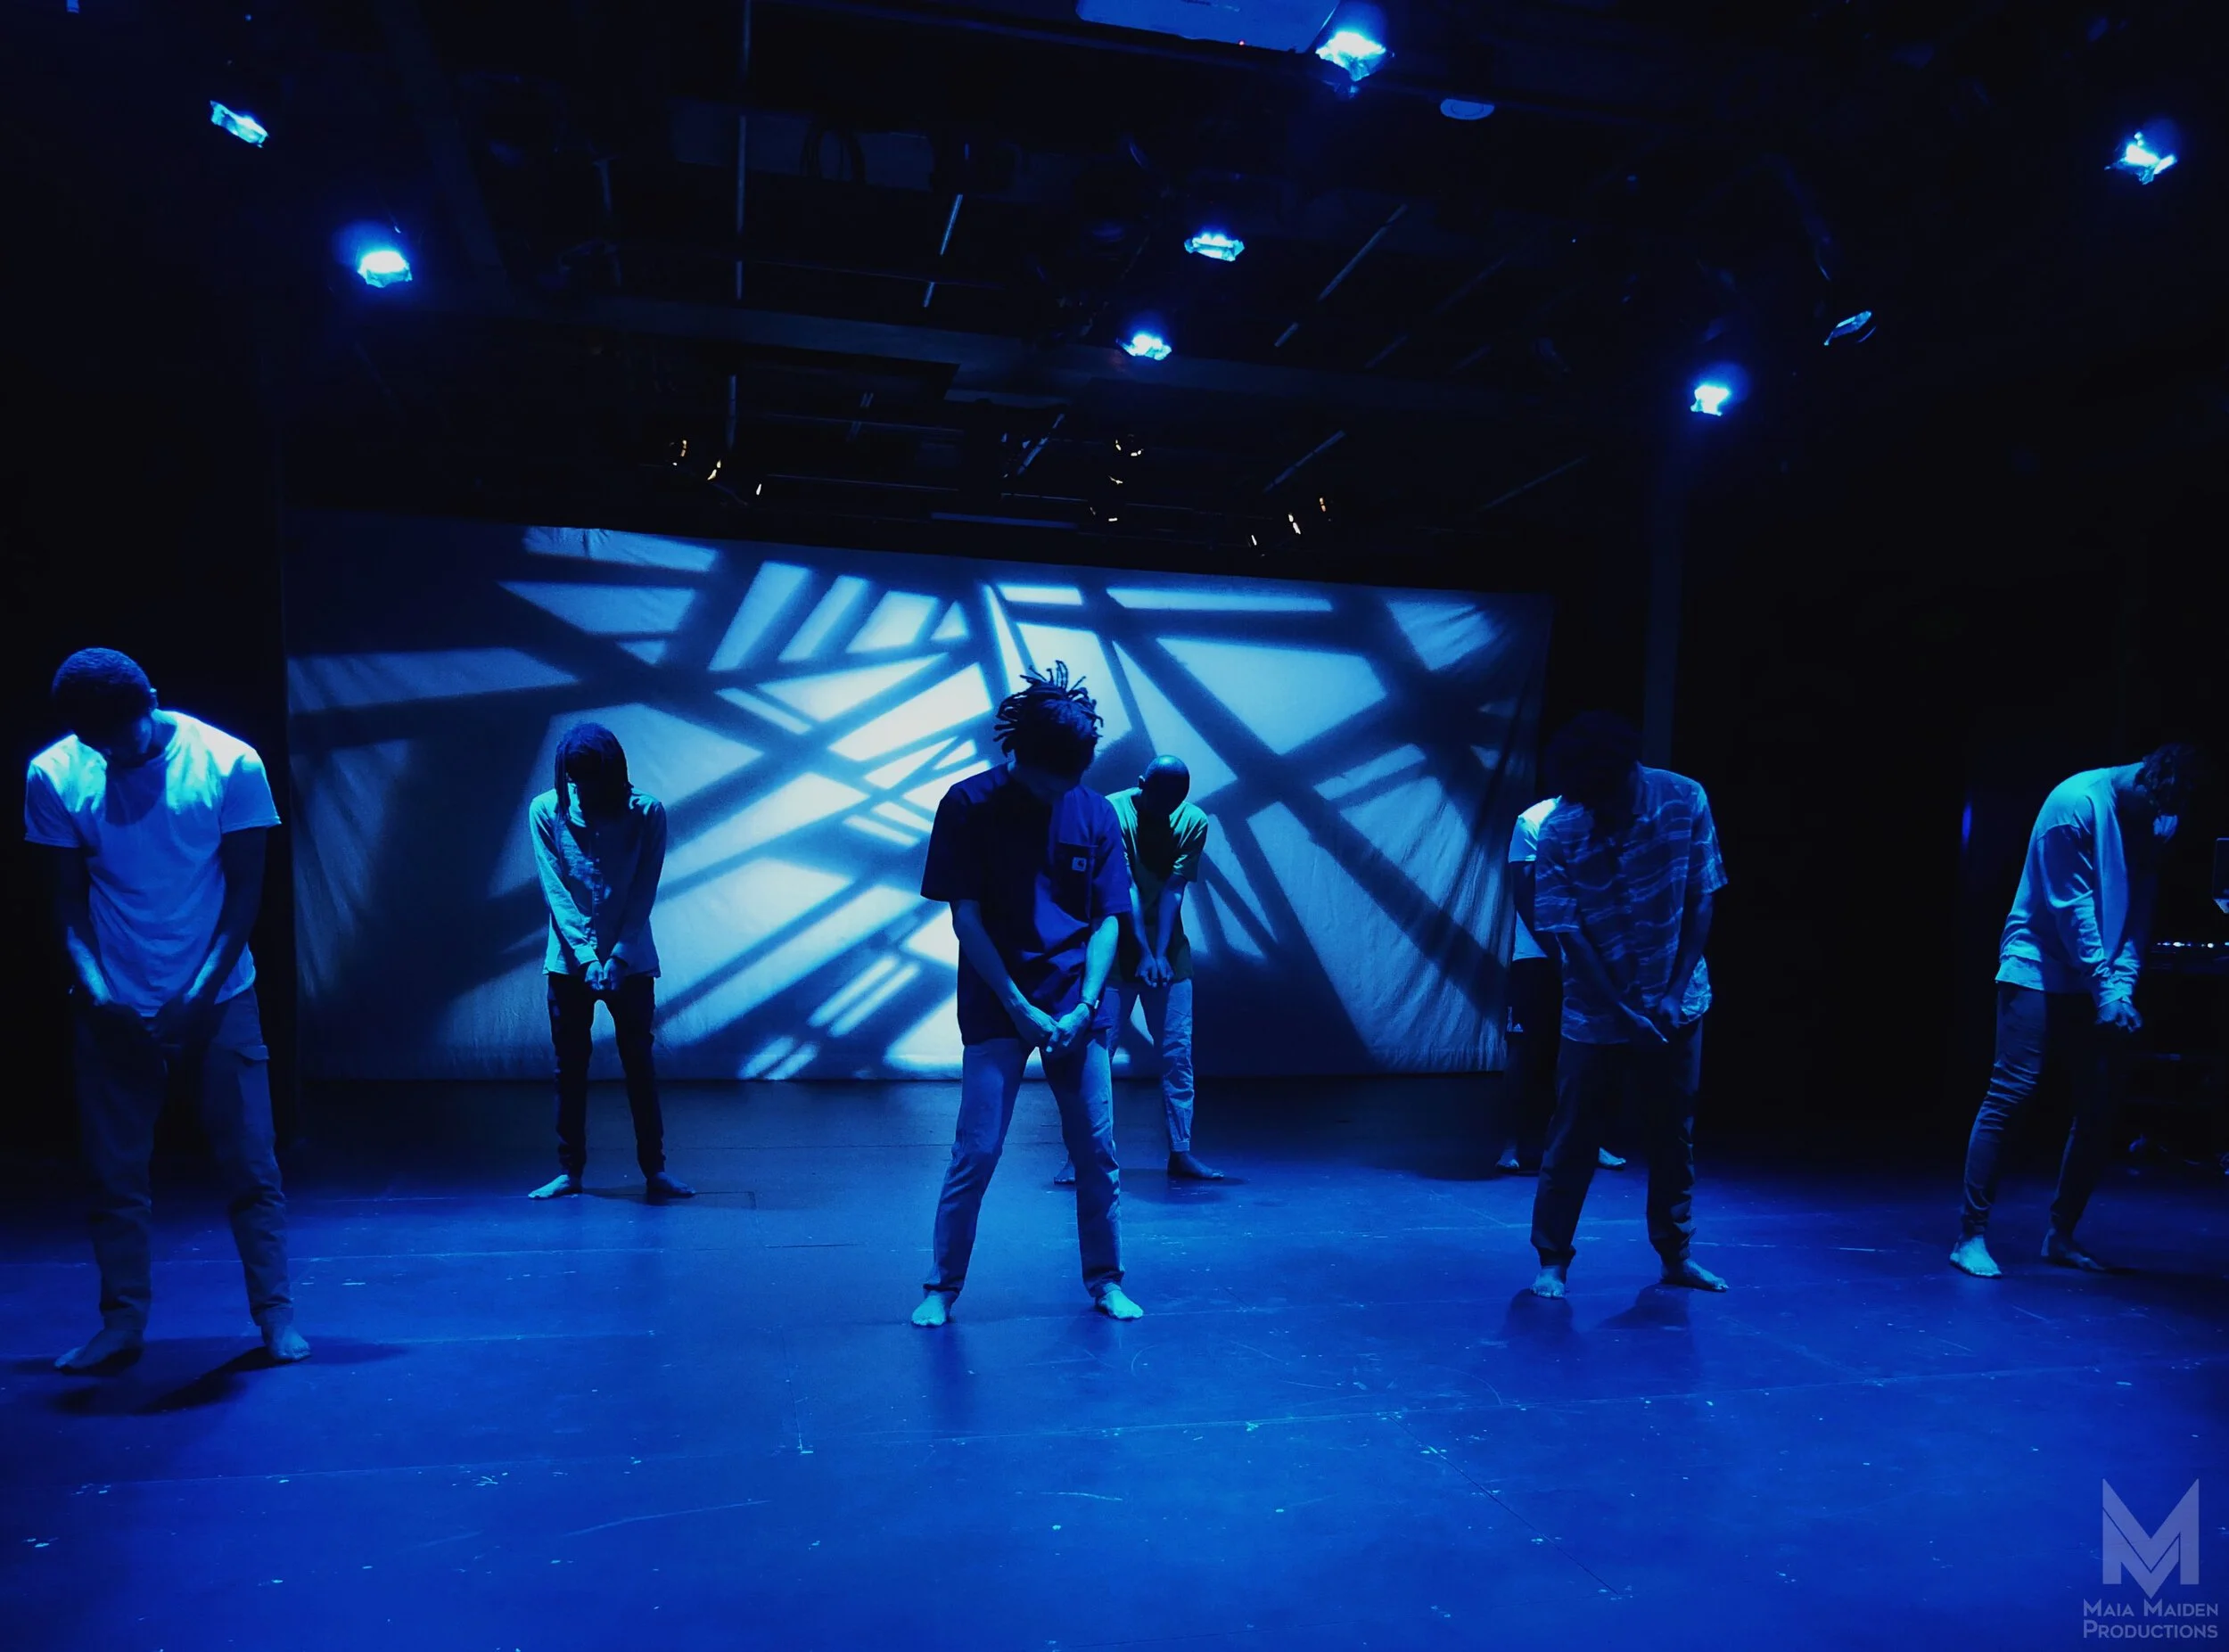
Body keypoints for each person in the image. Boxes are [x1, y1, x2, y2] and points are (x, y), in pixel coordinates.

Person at [25, 648, 309, 1371]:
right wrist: (95, 989)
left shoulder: (229, 762)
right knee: (113, 1176)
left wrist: (197, 994)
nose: (113, 751)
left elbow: (246, 894)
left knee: (252, 1166)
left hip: (220, 998)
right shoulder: (55, 772)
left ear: (151, 697)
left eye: (122, 733)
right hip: (112, 1004)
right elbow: (63, 897)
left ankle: (275, 1316)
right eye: (97, 741)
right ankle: (122, 1322)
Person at [911, 663, 1143, 1326]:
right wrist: (1018, 1005)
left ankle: (1106, 1279)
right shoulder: (967, 804)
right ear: (1021, 755)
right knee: (977, 1149)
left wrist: (1083, 1003)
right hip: (996, 1002)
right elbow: (966, 918)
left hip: (1077, 1005)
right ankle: (941, 1286)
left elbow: (1108, 919)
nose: (1064, 787)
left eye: (1074, 773)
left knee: (1097, 1152)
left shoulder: (1095, 812)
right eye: (1054, 774)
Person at [1951, 745, 2200, 1278]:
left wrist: (2123, 989)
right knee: (2012, 1093)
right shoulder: (2075, 804)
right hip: (2039, 965)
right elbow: (2072, 909)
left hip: (2099, 978)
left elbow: (2138, 911)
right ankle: (1970, 1236)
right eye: (2155, 810)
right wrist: (2106, 991)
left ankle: (2060, 1235)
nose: (2159, 823)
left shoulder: (2154, 817)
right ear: (2144, 782)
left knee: (2101, 1105)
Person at [1526, 713, 1729, 1299]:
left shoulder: (1683, 798)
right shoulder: (1563, 826)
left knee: (1673, 1134)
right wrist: (1621, 1011)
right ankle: (1552, 1260)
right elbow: (1567, 931)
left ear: (1626, 773)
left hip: (1677, 1007)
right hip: (1594, 1016)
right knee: (1573, 1135)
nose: (1599, 810)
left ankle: (1676, 1253)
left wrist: (1670, 995)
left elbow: (1702, 897)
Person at [527, 724, 693, 1203]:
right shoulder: (547, 810)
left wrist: (617, 956)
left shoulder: (646, 813)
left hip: (631, 963)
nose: (583, 791)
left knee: (639, 1064)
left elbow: (644, 891)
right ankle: (569, 1171)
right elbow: (555, 891)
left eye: (591, 780)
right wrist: (584, 956)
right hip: (568, 965)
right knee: (569, 1068)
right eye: (574, 781)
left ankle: (655, 1170)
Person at [1055, 754, 1221, 1186]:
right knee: (1096, 1058)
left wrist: (1161, 953)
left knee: (1177, 1055)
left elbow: (1174, 890)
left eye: (1174, 803)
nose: (1166, 811)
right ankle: (1081, 1154)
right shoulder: (1112, 810)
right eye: (1159, 801)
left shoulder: (1193, 820)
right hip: (1112, 950)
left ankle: (1181, 1152)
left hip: (1168, 955)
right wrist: (1145, 952)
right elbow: (1122, 886)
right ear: (1141, 782)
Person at [1503, 793, 1626, 1176]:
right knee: (1529, 1052)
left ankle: (1589, 1141)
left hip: (1594, 952)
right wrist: (1562, 958)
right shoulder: (1533, 821)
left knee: (1592, 1051)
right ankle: (1519, 1144)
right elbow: (1526, 899)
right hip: (1538, 956)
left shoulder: (1608, 814)